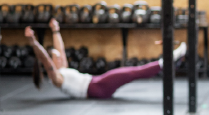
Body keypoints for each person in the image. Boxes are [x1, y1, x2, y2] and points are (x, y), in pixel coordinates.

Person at [26, 19, 186, 99]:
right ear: (52, 64)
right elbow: (46, 60)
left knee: (132, 72)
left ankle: (167, 61)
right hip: (97, 87)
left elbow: (59, 49)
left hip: (97, 82)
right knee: (134, 72)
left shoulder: (63, 69)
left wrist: (55, 30)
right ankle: (168, 60)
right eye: (57, 58)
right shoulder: (57, 78)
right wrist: (33, 43)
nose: (60, 58)